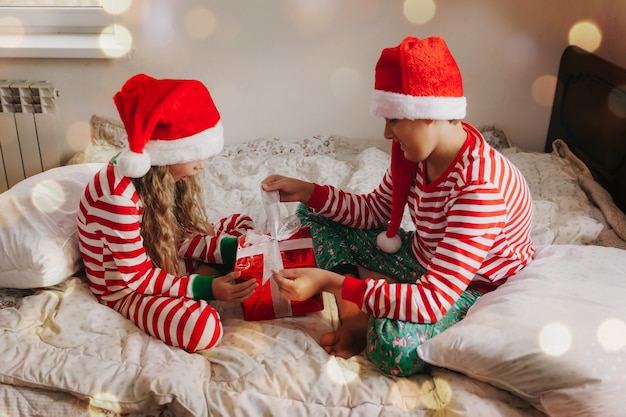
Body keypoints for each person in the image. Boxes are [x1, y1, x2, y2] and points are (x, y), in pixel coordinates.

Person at [261, 36, 535, 376]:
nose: (388, 134)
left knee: (392, 346)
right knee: (313, 214)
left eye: (393, 120)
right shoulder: (413, 156)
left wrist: (328, 282)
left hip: (470, 288)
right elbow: (374, 212)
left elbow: (435, 300)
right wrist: (308, 191)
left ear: (427, 114)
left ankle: (367, 296)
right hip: (424, 257)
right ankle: (355, 313)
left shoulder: (480, 189)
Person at [77, 74, 258, 353]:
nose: (201, 166)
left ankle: (209, 266)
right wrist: (206, 288)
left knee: (243, 228)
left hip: (159, 251)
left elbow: (170, 232)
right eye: (194, 155)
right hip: (126, 289)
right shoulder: (117, 199)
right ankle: (203, 274)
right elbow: (137, 278)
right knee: (203, 329)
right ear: (165, 155)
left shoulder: (155, 177)